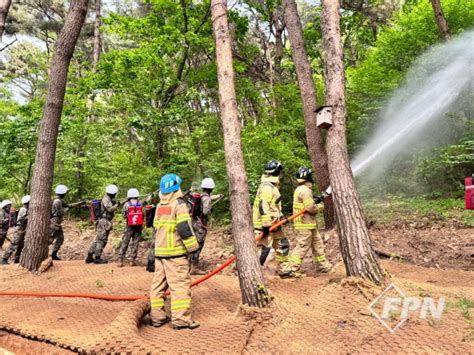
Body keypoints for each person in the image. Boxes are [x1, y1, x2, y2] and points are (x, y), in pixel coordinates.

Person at [149, 174, 200, 330]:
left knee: (158, 286)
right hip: (175, 254)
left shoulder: (159, 206)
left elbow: (156, 226)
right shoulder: (179, 204)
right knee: (179, 286)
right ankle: (181, 320)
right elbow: (184, 228)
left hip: (160, 253)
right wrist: (193, 248)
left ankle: (157, 317)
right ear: (176, 188)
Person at [279, 167, 332, 278]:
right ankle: (291, 269)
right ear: (308, 177)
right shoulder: (305, 190)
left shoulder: (300, 189)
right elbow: (310, 208)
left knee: (318, 245)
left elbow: (307, 204)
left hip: (309, 224)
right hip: (304, 225)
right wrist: (320, 207)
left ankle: (323, 266)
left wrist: (316, 200)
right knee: (302, 246)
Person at [252, 160, 290, 273]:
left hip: (274, 225)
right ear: (277, 172)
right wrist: (265, 225)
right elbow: (263, 206)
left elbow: (274, 206)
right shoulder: (267, 187)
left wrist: (281, 217)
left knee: (283, 245)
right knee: (265, 249)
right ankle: (254, 272)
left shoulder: (272, 186)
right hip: (266, 226)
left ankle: (285, 271)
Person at [189, 177, 223, 270]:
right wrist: (210, 210)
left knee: (193, 242)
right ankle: (194, 267)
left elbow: (208, 198)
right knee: (199, 244)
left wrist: (218, 196)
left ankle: (188, 263)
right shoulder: (206, 198)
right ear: (211, 188)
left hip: (194, 222)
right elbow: (205, 212)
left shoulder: (201, 196)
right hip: (201, 224)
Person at [86, 184, 120, 264]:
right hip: (104, 221)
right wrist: (117, 205)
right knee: (101, 240)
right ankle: (97, 257)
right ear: (113, 193)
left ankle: (90, 256)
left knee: (98, 239)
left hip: (103, 221)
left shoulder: (108, 199)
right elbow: (110, 209)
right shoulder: (106, 199)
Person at [117, 188, 143, 267]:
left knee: (125, 242)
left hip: (129, 226)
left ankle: (120, 260)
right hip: (138, 226)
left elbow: (124, 215)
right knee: (135, 243)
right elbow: (143, 214)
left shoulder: (126, 204)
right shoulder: (140, 203)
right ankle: (132, 260)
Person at [2, 195, 29, 264]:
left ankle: (17, 259)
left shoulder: (26, 209)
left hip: (22, 229)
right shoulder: (24, 209)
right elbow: (21, 219)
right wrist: (29, 216)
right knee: (14, 244)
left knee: (21, 245)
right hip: (19, 229)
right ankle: (4, 259)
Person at [49, 185, 70, 260]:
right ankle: (41, 254)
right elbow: (60, 213)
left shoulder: (60, 200)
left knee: (60, 238)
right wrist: (67, 209)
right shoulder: (57, 201)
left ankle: (54, 255)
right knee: (49, 239)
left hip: (57, 222)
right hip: (54, 222)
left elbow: (67, 205)